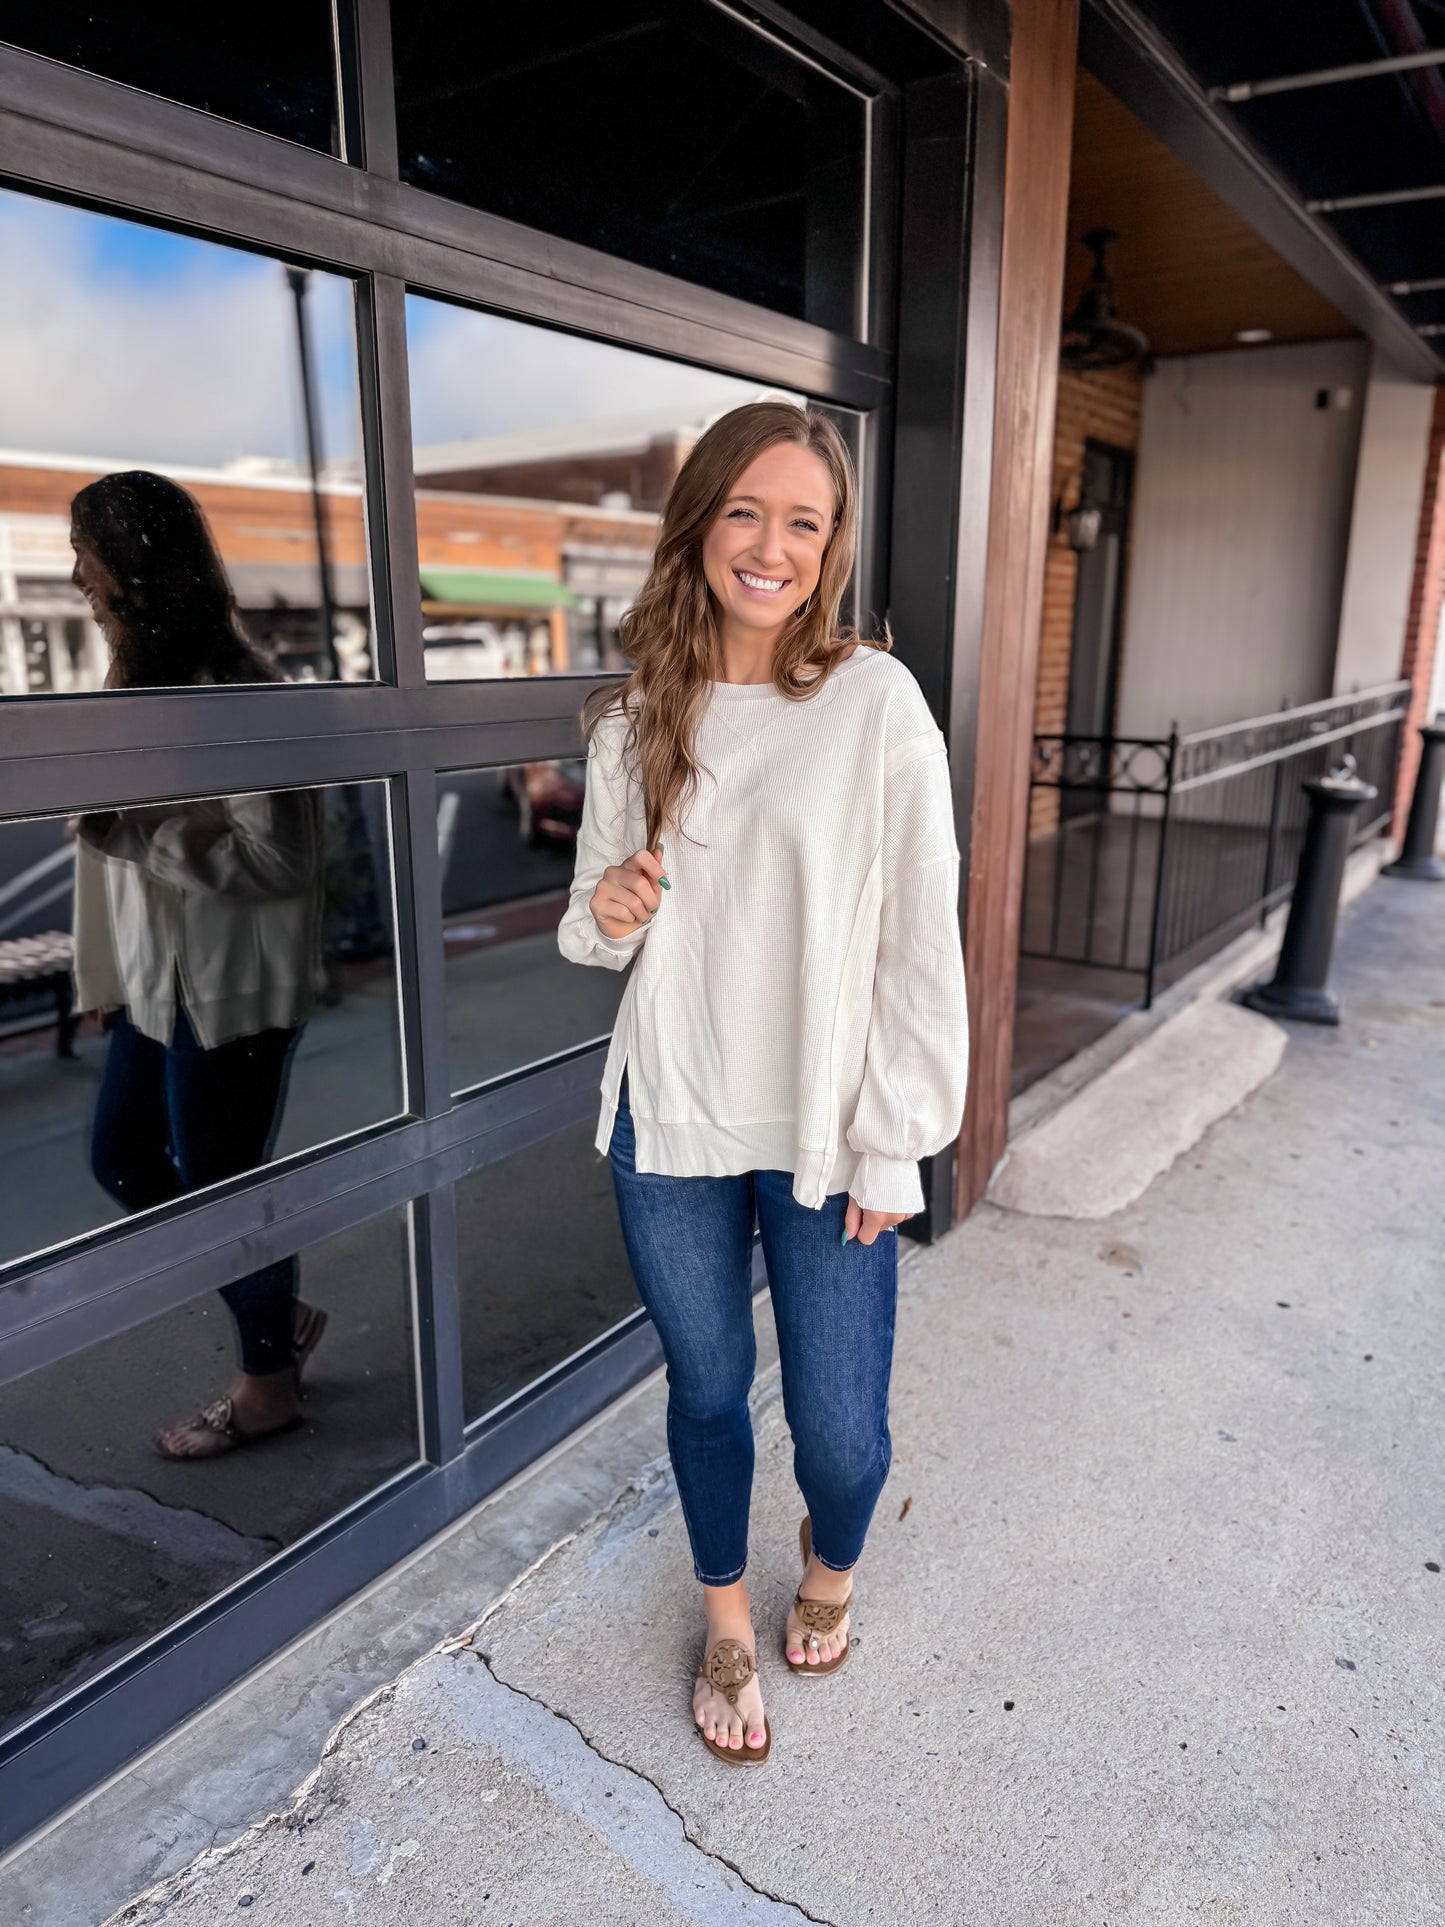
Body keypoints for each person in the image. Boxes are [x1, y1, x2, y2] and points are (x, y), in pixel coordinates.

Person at [557, 401, 970, 1766]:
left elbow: (921, 926)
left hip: (828, 1125)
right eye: (746, 509)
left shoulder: (872, 701)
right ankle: (728, 1617)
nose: (771, 544)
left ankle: (829, 1563)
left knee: (845, 1438)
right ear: (701, 524)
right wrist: (612, 903)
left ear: (831, 544)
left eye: (804, 520)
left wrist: (898, 1136)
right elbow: (586, 929)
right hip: (670, 1111)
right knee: (711, 1388)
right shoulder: (635, 715)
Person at [67, 470, 330, 1459]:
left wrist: (141, 831)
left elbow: (282, 860)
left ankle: (268, 1380)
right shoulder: (132, 678)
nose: (75, 569)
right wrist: (114, 975)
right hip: (160, 985)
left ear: (137, 564)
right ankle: (277, 1315)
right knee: (124, 1156)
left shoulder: (236, 689)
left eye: (86, 546)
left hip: (228, 995)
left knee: (221, 1178)